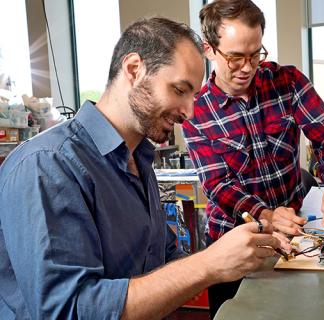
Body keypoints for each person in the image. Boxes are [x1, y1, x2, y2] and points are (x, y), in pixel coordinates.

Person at [0, 17, 280, 319]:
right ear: (134, 69)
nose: (189, 112)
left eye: (193, 96)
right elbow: (68, 310)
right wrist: (208, 264)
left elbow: (164, 262)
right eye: (179, 90)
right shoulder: (47, 164)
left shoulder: (138, 160)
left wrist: (241, 255)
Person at [182, 0, 324, 316]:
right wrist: (264, 214)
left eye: (255, 55)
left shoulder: (288, 81)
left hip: (292, 240)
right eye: (236, 57)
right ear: (209, 50)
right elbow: (217, 184)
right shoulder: (195, 110)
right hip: (232, 245)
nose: (247, 67)